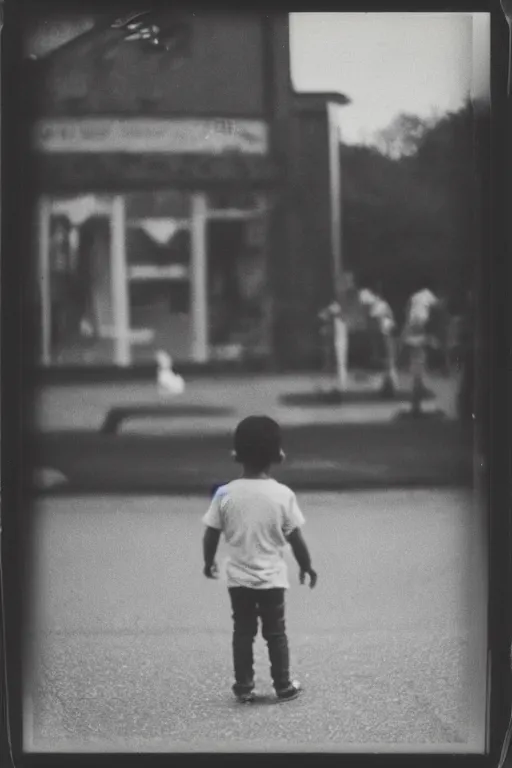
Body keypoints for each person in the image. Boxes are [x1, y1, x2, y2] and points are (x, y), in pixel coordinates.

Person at [202, 416, 317, 704]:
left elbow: (211, 534)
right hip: (272, 580)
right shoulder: (282, 495)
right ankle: (283, 685)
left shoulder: (225, 494)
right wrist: (306, 566)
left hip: (238, 579)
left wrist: (209, 561)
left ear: (235, 455)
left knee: (243, 631)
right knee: (275, 632)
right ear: (279, 455)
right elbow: (295, 538)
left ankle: (244, 686)